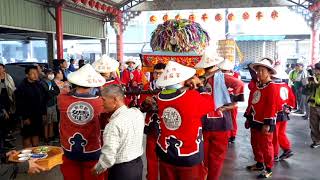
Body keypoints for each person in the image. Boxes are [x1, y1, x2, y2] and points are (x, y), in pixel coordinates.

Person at [155, 61, 214, 180]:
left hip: (166, 152)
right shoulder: (191, 96)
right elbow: (210, 105)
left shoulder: (160, 97)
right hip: (188, 155)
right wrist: (200, 86)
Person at [195, 56, 244, 180]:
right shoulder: (221, 77)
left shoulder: (202, 80)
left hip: (205, 122)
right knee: (217, 157)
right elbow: (239, 84)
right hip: (221, 122)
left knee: (203, 155)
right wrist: (231, 103)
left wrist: (231, 103)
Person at [58, 64, 105, 180]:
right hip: (92, 149)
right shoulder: (100, 103)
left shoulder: (62, 99)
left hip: (69, 149)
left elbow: (64, 91)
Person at [92, 85, 144, 180]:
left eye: (103, 100)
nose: (102, 104)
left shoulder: (113, 124)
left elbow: (108, 157)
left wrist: (97, 169)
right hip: (138, 165)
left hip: (122, 171)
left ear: (115, 100)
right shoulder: (137, 113)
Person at [245, 58, 279, 179]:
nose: (259, 73)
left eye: (262, 70)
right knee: (255, 143)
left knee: (266, 145)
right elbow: (252, 101)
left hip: (264, 122)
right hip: (255, 119)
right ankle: (259, 163)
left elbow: (271, 106)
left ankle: (268, 168)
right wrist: (248, 117)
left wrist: (267, 123)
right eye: (258, 71)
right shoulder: (258, 85)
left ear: (269, 72)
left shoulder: (271, 87)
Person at [140, 62, 166, 180]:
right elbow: (141, 107)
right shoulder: (147, 87)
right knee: (151, 154)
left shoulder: (171, 86)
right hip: (151, 123)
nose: (158, 75)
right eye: (156, 73)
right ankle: (151, 177)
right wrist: (146, 103)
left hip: (167, 124)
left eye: (161, 73)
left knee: (166, 155)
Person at [15, 66, 47, 148]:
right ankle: (27, 155)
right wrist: (25, 117)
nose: (35, 75)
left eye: (36, 73)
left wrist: (44, 113)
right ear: (27, 75)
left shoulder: (39, 85)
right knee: (27, 136)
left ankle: (35, 154)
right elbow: (20, 104)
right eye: (32, 73)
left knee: (36, 134)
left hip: (38, 114)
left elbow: (43, 100)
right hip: (27, 116)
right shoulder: (22, 87)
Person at [271, 64, 296, 161]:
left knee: (274, 135)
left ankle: (274, 154)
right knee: (281, 133)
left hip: (275, 114)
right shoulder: (286, 86)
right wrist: (288, 108)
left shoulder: (271, 86)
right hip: (284, 113)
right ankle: (287, 150)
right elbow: (292, 100)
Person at [218, 59, 243, 143]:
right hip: (228, 98)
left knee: (231, 117)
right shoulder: (235, 75)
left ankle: (231, 135)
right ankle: (230, 135)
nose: (224, 71)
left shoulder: (220, 75)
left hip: (229, 98)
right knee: (229, 118)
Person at [40, 69, 60, 144]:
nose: (51, 75)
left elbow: (57, 90)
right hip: (46, 105)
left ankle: (51, 136)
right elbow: (47, 94)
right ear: (45, 74)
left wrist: (52, 92)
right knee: (46, 123)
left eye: (52, 73)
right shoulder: (42, 82)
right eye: (49, 73)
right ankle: (46, 138)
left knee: (52, 121)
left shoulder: (51, 81)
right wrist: (52, 92)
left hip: (53, 104)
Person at [0, 63, 16, 150]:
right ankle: (5, 140)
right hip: (1, 101)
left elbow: (12, 88)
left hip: (8, 99)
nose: (0, 70)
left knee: (9, 118)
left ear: (4, 69)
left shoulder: (8, 77)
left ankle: (7, 136)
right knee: (3, 121)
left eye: (1, 68)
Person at [305, 62, 320, 148]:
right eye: (316, 69)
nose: (316, 71)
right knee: (313, 124)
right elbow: (308, 90)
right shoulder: (314, 77)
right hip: (313, 104)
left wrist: (315, 81)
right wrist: (308, 83)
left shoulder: (316, 79)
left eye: (317, 70)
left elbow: (318, 85)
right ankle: (316, 141)